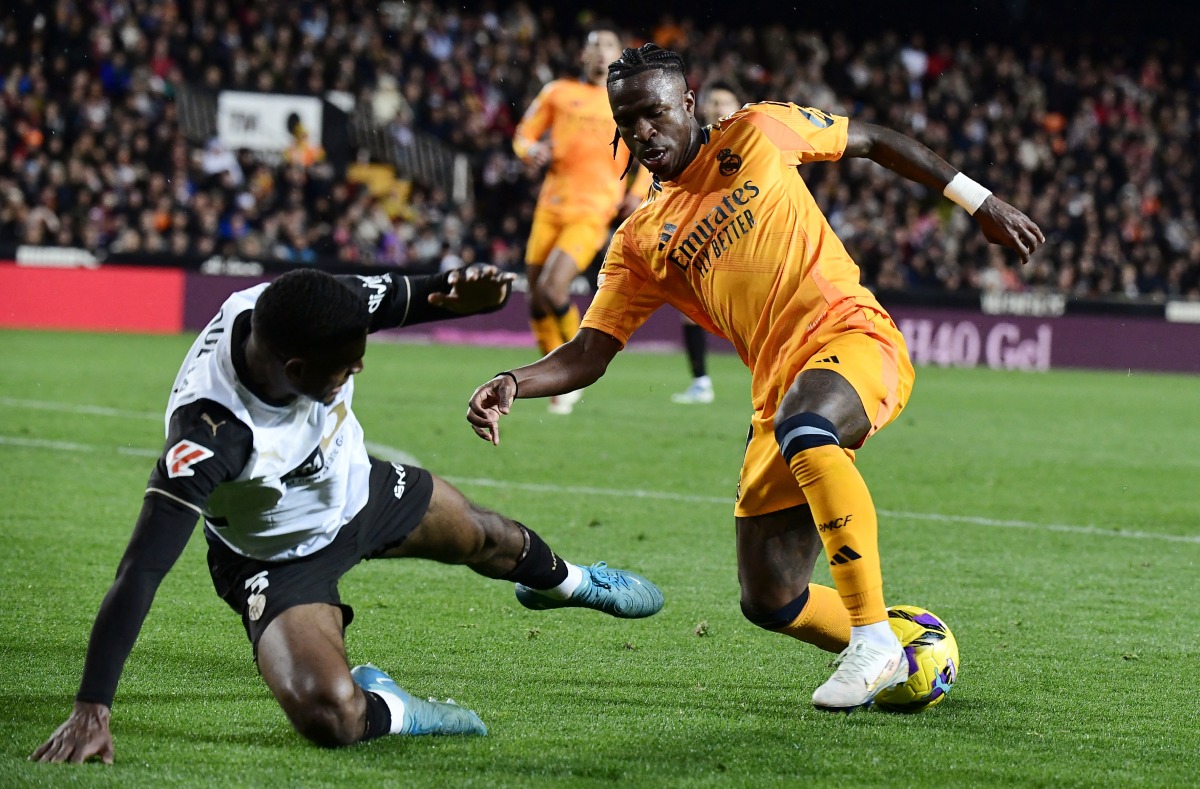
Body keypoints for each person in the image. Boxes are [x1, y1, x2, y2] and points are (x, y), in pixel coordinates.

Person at [469, 44, 1044, 713]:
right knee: (770, 598)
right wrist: (515, 379)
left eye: (653, 114)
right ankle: (910, 641)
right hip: (778, 389)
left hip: (851, 335)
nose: (642, 133)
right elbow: (588, 353)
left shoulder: (760, 129)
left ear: (688, 101)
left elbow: (876, 141)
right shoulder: (639, 240)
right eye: (627, 123)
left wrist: (979, 202)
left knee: (810, 426)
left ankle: (873, 638)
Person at [31, 265, 663, 763]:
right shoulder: (211, 436)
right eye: (347, 367)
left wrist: (461, 291)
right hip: (274, 558)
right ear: (296, 369)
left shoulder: (306, 308)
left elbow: (417, 295)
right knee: (330, 716)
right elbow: (140, 570)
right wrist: (93, 706)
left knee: (486, 536)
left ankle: (570, 583)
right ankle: (398, 706)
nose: (359, 366)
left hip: (358, 491)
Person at [513, 23, 652, 415]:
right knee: (536, 300)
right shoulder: (558, 92)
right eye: (594, 45)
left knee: (555, 289)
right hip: (551, 205)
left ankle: (574, 369)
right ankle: (554, 380)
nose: (600, 51)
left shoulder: (626, 98)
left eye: (608, 45)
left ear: (618, 54)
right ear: (583, 55)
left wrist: (637, 194)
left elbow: (645, 145)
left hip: (594, 209)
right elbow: (524, 134)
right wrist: (530, 152)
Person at [671, 80, 743, 405]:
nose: (716, 108)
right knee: (690, 310)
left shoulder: (751, 144)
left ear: (739, 109)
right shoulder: (693, 149)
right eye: (712, 103)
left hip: (748, 240)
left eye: (723, 102)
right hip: (709, 240)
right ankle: (701, 382)